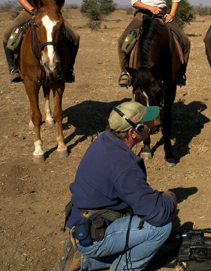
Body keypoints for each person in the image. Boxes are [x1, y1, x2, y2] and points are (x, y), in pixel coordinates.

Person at [59, 102, 177, 271]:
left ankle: (86, 262)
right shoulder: (123, 166)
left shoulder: (105, 140)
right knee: (161, 228)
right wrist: (169, 199)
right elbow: (157, 214)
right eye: (146, 123)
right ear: (134, 132)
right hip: (93, 233)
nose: (150, 125)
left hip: (83, 222)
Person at [117, 0, 190, 87]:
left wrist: (171, 14)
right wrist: (150, 7)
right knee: (122, 41)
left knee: (186, 41)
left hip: (163, 15)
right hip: (142, 15)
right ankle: (125, 72)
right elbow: (134, 1)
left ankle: (180, 72)